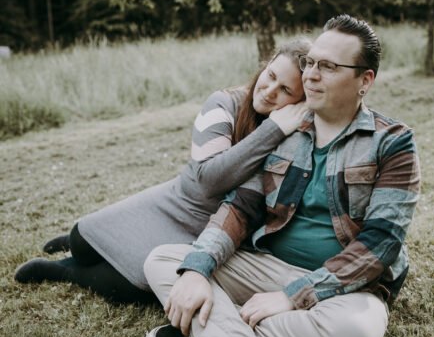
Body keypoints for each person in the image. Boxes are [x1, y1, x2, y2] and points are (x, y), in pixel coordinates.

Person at [143, 14, 421, 337]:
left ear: (365, 80)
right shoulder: (286, 130)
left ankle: (212, 331)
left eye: (329, 66)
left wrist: (295, 296)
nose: (311, 75)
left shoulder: (392, 142)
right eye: (311, 63)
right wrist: (197, 270)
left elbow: (382, 242)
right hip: (266, 269)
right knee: (165, 261)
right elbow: (239, 208)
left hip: (344, 288)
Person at [14, 37, 311, 304]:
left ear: (299, 102)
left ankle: (62, 271)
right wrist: (273, 129)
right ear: (266, 65)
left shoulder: (296, 135)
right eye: (271, 75)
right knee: (82, 241)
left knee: (136, 286)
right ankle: (83, 242)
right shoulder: (223, 104)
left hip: (215, 230)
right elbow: (209, 180)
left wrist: (281, 130)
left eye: (285, 89)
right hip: (178, 202)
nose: (270, 91)